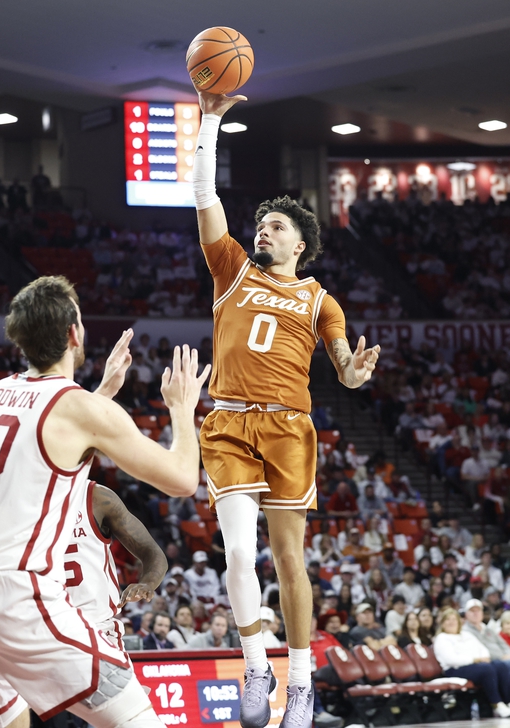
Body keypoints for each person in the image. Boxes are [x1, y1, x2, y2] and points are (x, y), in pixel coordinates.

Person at [0, 275, 209, 728]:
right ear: (74, 334)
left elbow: (51, 443)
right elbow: (182, 480)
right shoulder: (80, 409)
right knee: (136, 718)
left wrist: (102, 394)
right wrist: (182, 407)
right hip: (12, 596)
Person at [192, 89, 381, 728]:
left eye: (275, 226)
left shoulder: (322, 299)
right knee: (238, 557)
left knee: (289, 558)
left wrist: (353, 375)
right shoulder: (232, 271)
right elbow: (204, 199)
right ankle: (255, 663)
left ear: (300, 243)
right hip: (228, 421)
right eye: (261, 225)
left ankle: (300, 683)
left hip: (289, 428)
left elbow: (344, 370)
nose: (261, 230)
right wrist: (211, 120)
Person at [67, 481, 168, 655]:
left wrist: (147, 583)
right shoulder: (17, 502)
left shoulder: (96, 497)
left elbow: (153, 552)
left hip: (95, 627)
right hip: (38, 629)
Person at [431, 607, 510, 718]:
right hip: (454, 669)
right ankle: (497, 704)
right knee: (486, 669)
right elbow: (450, 659)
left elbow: (483, 649)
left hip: (475, 665)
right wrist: (475, 659)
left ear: (459, 622)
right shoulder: (442, 638)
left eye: (454, 619)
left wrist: (481, 658)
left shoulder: (466, 635)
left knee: (500, 665)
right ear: (442, 623)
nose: (451, 622)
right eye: (448, 620)